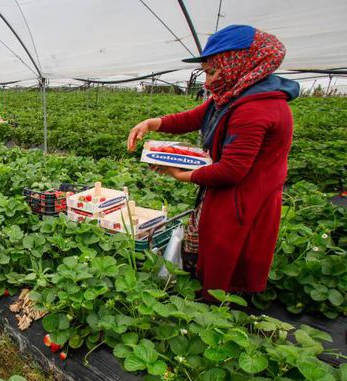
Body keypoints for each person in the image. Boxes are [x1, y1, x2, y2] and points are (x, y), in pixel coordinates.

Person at [127, 25, 299, 300]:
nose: (207, 82)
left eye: (212, 72)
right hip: (229, 193)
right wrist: (153, 123)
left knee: (227, 255)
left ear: (239, 64)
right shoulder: (235, 95)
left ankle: (217, 310)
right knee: (213, 247)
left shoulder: (255, 109)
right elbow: (195, 116)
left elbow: (231, 170)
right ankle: (207, 294)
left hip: (244, 197)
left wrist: (180, 175)